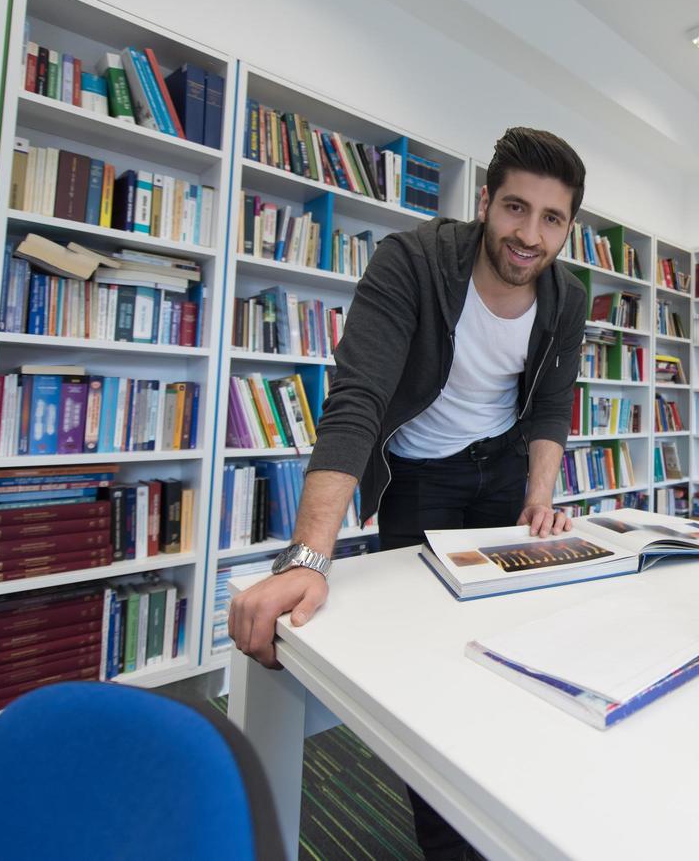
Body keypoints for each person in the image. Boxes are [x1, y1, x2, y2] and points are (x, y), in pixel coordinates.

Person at [228, 126, 588, 860]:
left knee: (512, 647)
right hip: (421, 476)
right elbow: (357, 399)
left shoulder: (566, 296)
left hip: (505, 470)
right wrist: (307, 558)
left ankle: (515, 808)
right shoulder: (413, 263)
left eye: (551, 219)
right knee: (431, 666)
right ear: (485, 202)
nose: (529, 234)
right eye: (515, 209)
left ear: (567, 226)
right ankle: (450, 846)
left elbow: (552, 403)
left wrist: (540, 498)